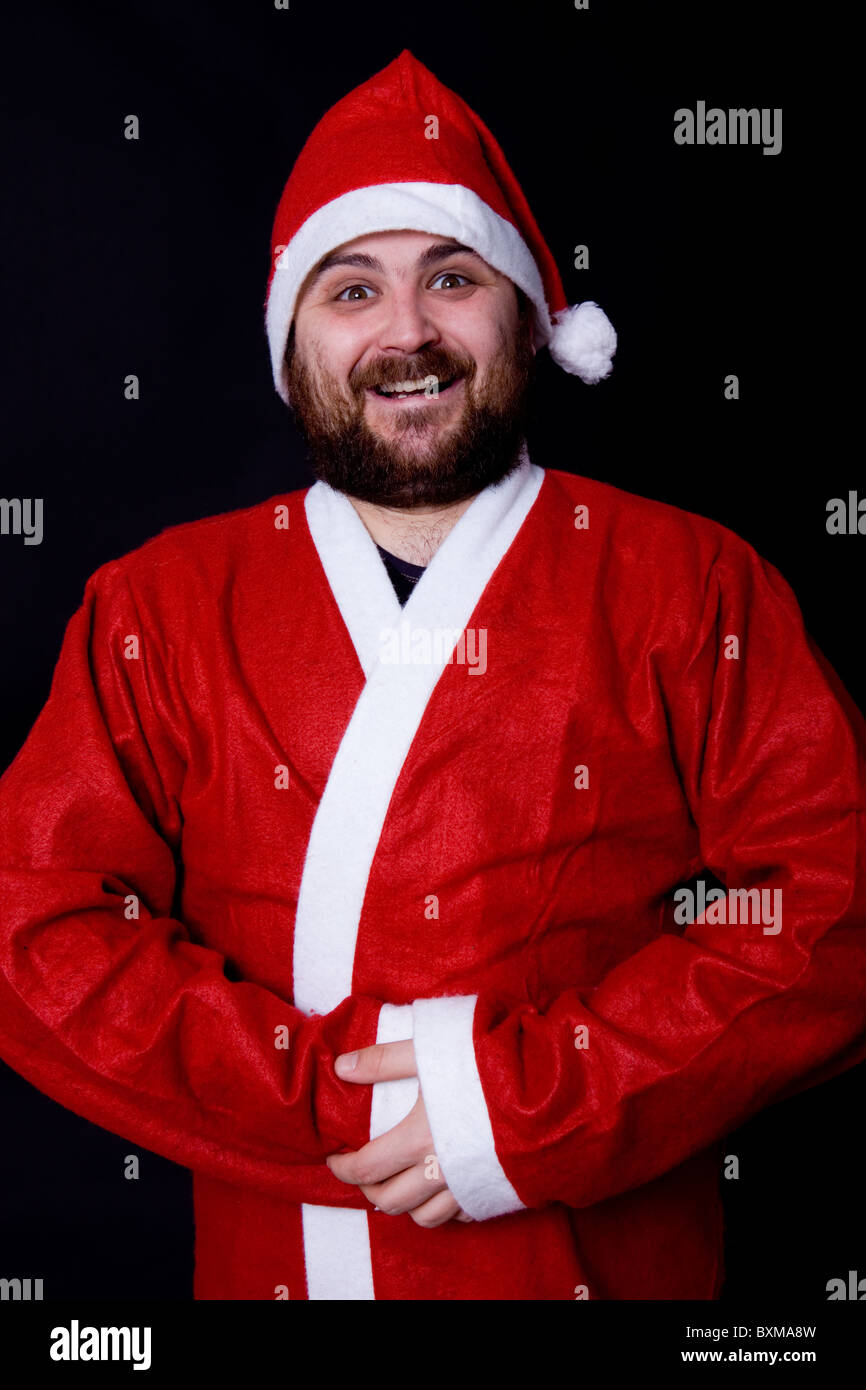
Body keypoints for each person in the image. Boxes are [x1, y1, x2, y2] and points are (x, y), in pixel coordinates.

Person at [1, 49, 864, 1302]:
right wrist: (333, 1100)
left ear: (525, 316)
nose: (406, 332)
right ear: (290, 341)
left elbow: (828, 909)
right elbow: (36, 927)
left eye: (450, 279)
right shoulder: (156, 607)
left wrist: (526, 1105)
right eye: (351, 289)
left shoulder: (694, 582)